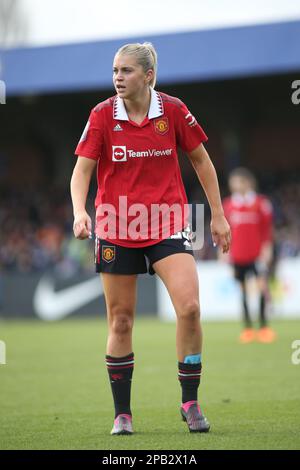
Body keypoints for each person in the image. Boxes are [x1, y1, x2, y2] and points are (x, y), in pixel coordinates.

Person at [70, 42, 231, 435]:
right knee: (121, 321)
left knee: (190, 307)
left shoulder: (173, 110)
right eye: (114, 71)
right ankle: (122, 413)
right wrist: (79, 210)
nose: (118, 78)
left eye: (126, 71)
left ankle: (190, 402)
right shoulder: (101, 115)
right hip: (115, 225)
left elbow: (202, 162)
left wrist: (219, 215)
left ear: (148, 76)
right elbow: (81, 172)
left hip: (167, 221)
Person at [223, 167, 276, 344]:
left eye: (237, 182)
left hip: (257, 254)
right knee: (243, 291)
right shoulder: (229, 205)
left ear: (247, 183)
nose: (233, 185)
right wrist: (224, 251)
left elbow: (267, 229)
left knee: (262, 287)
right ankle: (247, 328)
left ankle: (264, 327)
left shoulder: (261, 203)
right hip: (238, 255)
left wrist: (267, 249)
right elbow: (225, 230)